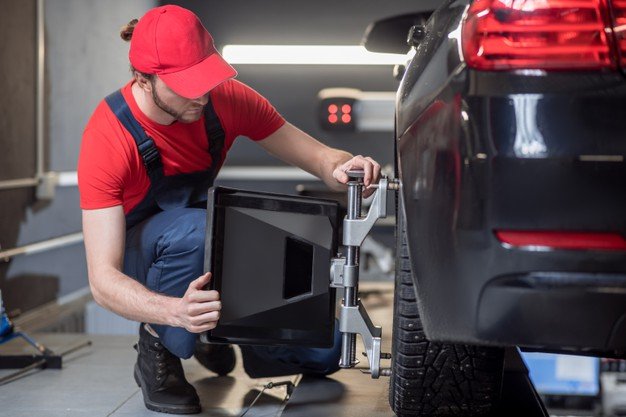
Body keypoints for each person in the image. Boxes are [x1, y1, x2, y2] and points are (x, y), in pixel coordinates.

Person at [78, 4, 381, 415]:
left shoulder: (223, 102)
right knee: (198, 231)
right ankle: (158, 346)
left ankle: (217, 337)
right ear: (143, 80)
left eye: (205, 78)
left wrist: (345, 167)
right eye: (187, 85)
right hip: (143, 257)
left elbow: (321, 157)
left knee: (322, 354)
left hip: (201, 244)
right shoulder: (108, 137)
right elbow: (102, 280)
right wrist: (173, 312)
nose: (202, 94)